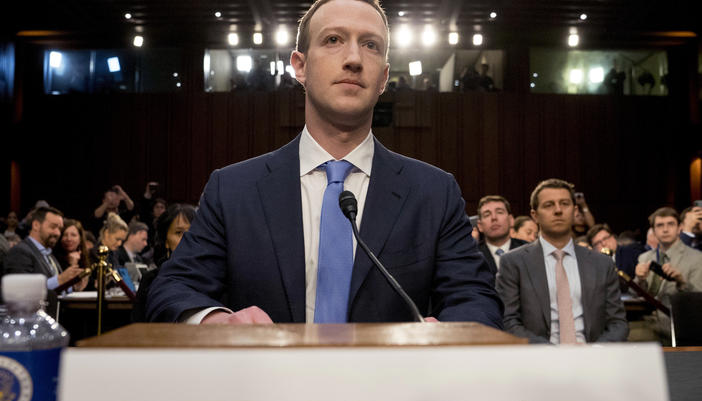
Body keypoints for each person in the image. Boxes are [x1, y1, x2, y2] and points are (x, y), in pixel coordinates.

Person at [147, 0, 503, 327]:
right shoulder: (234, 189)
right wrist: (216, 322)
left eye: (371, 45)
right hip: (267, 387)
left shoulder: (433, 192)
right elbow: (173, 288)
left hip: (394, 390)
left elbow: (476, 299)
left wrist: (452, 333)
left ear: (382, 78)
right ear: (299, 66)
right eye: (333, 39)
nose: (354, 59)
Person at [496, 179, 628, 344]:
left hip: (593, 359)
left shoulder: (602, 264)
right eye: (549, 205)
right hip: (538, 360)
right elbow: (507, 321)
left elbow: (618, 323)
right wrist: (552, 354)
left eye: (564, 204)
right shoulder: (513, 262)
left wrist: (596, 352)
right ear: (535, 215)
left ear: (574, 211)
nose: (558, 210)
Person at [635, 207, 702, 343]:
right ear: (653, 231)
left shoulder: (697, 258)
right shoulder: (644, 258)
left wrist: (682, 283)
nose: (665, 230)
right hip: (647, 321)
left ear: (680, 228)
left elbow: (699, 300)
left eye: (670, 224)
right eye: (660, 225)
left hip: (680, 323)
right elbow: (635, 294)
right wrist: (639, 279)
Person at [3, 207, 83, 315]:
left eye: (60, 228)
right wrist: (60, 279)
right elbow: (21, 293)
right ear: (36, 225)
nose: (57, 233)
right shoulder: (20, 251)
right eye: (53, 227)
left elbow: (55, 290)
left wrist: (71, 286)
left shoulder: (49, 254)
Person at [132, 204, 196, 322]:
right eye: (179, 233)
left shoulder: (215, 279)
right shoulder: (151, 280)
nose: (187, 238)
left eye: (192, 232)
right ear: (166, 241)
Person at [476, 195, 526, 274]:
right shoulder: (472, 255)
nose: (494, 217)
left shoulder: (528, 250)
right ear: (480, 226)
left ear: (511, 220)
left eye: (499, 212)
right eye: (487, 215)